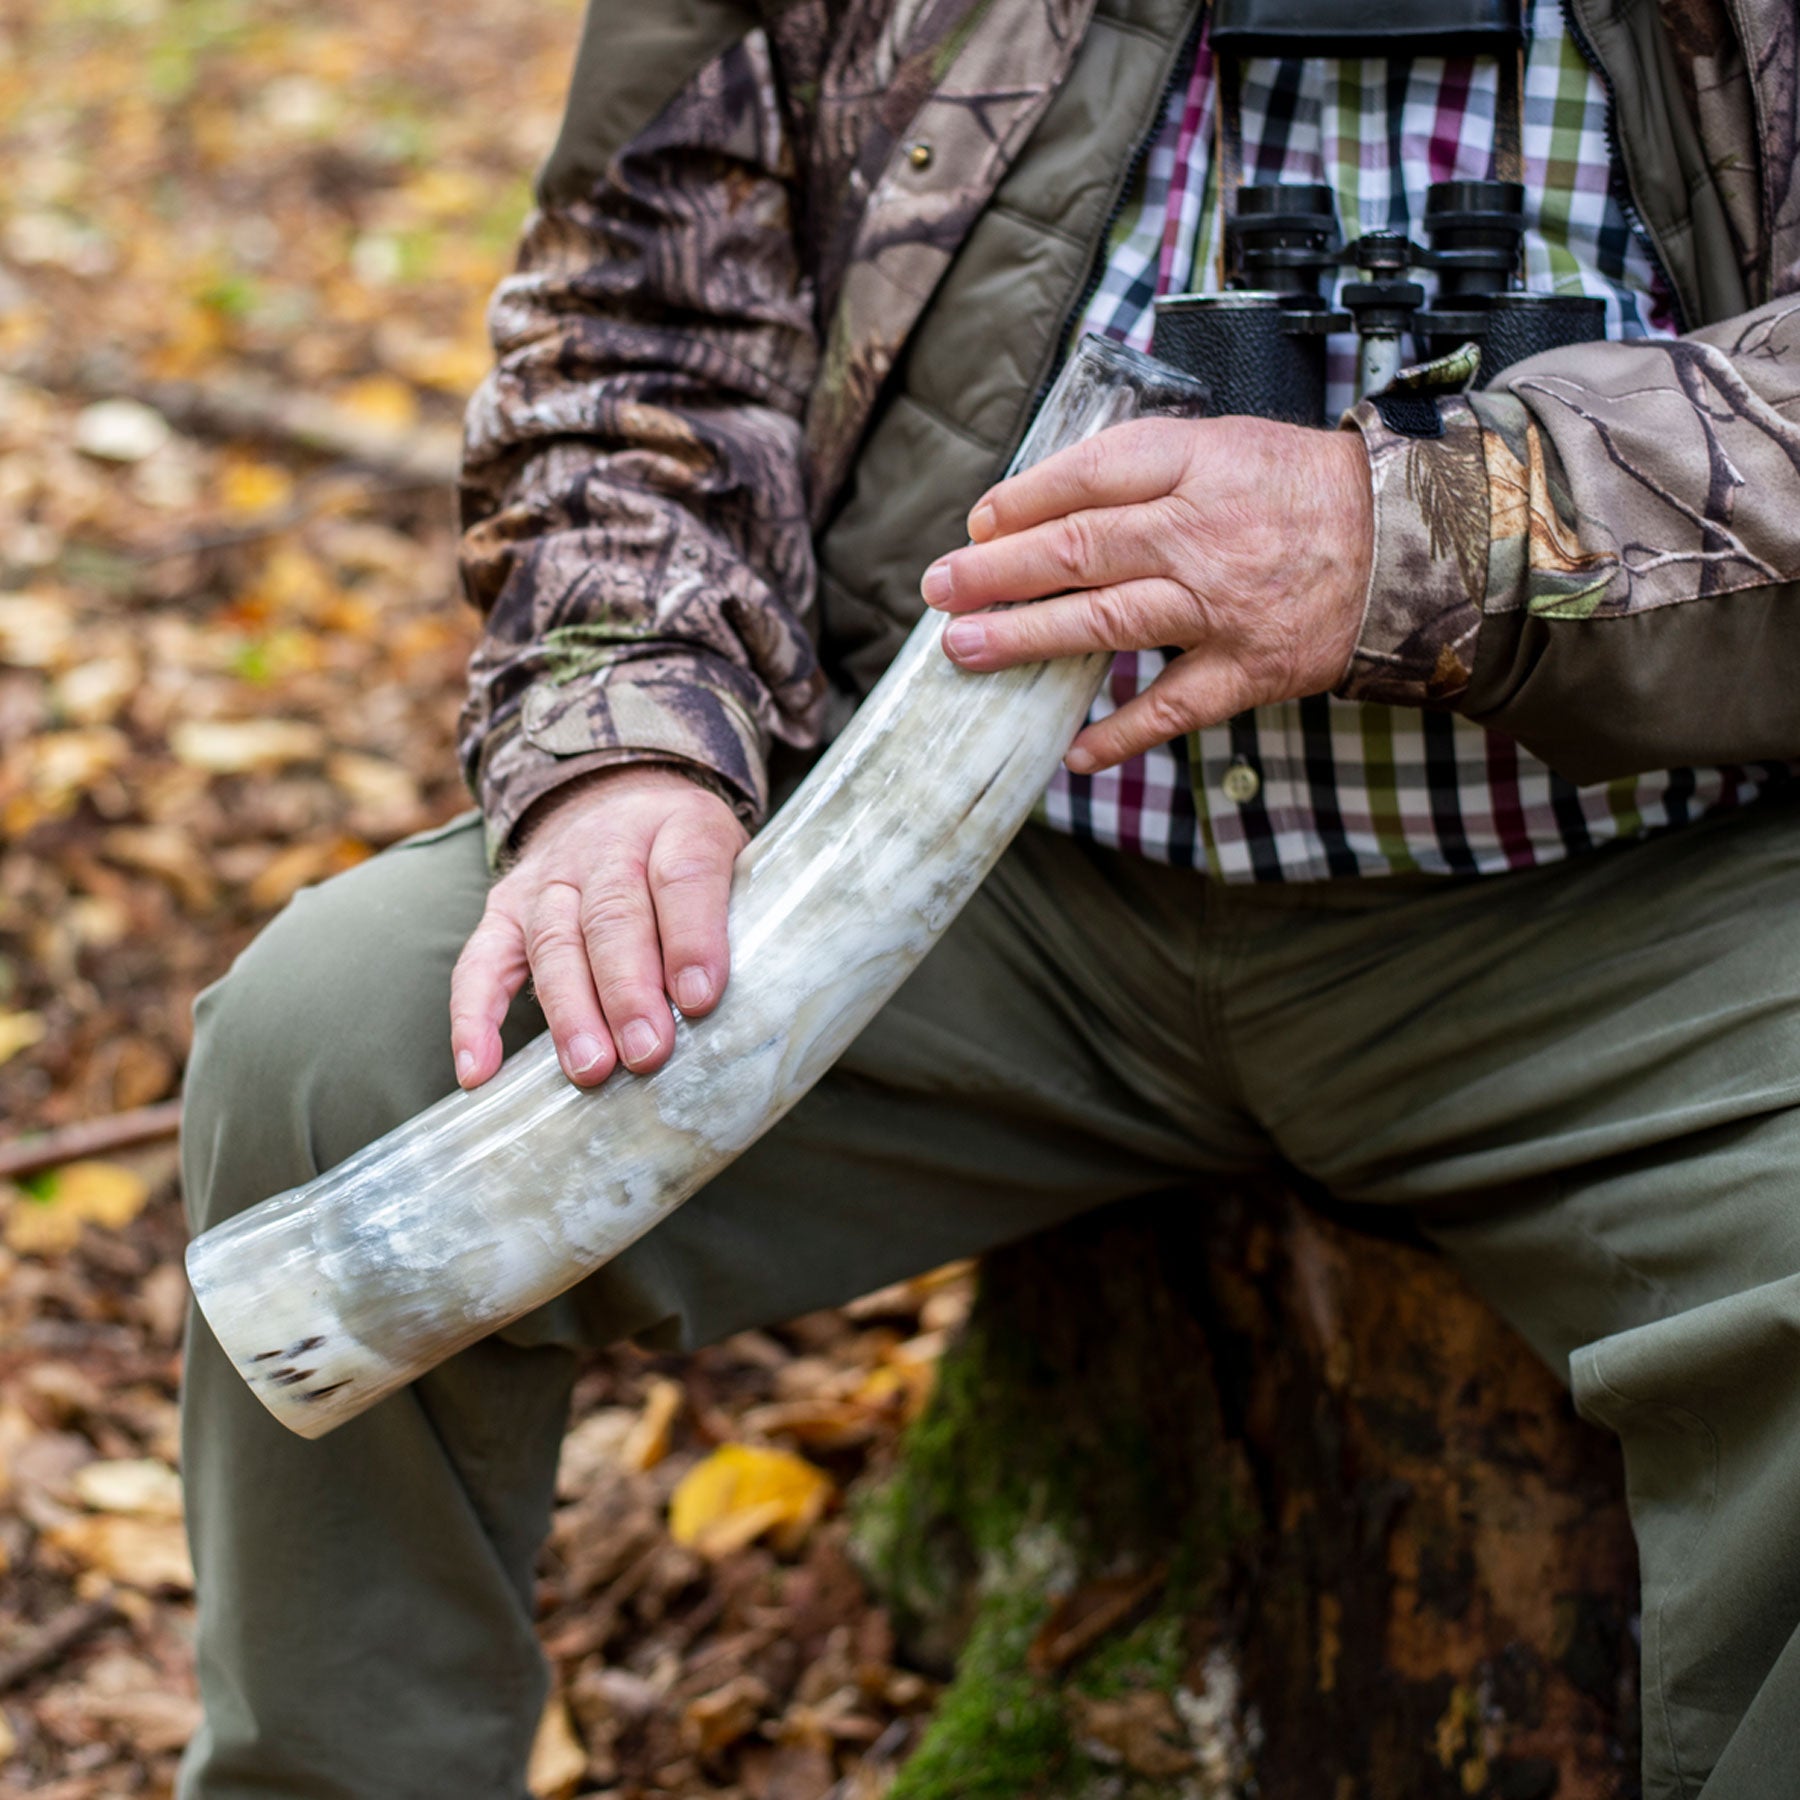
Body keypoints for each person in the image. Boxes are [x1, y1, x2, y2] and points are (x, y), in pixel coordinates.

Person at [176, 0, 1800, 1793]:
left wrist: (1429, 528)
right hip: (951, 881)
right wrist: (628, 734)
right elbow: (637, 326)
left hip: (1658, 897)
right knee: (340, 1058)